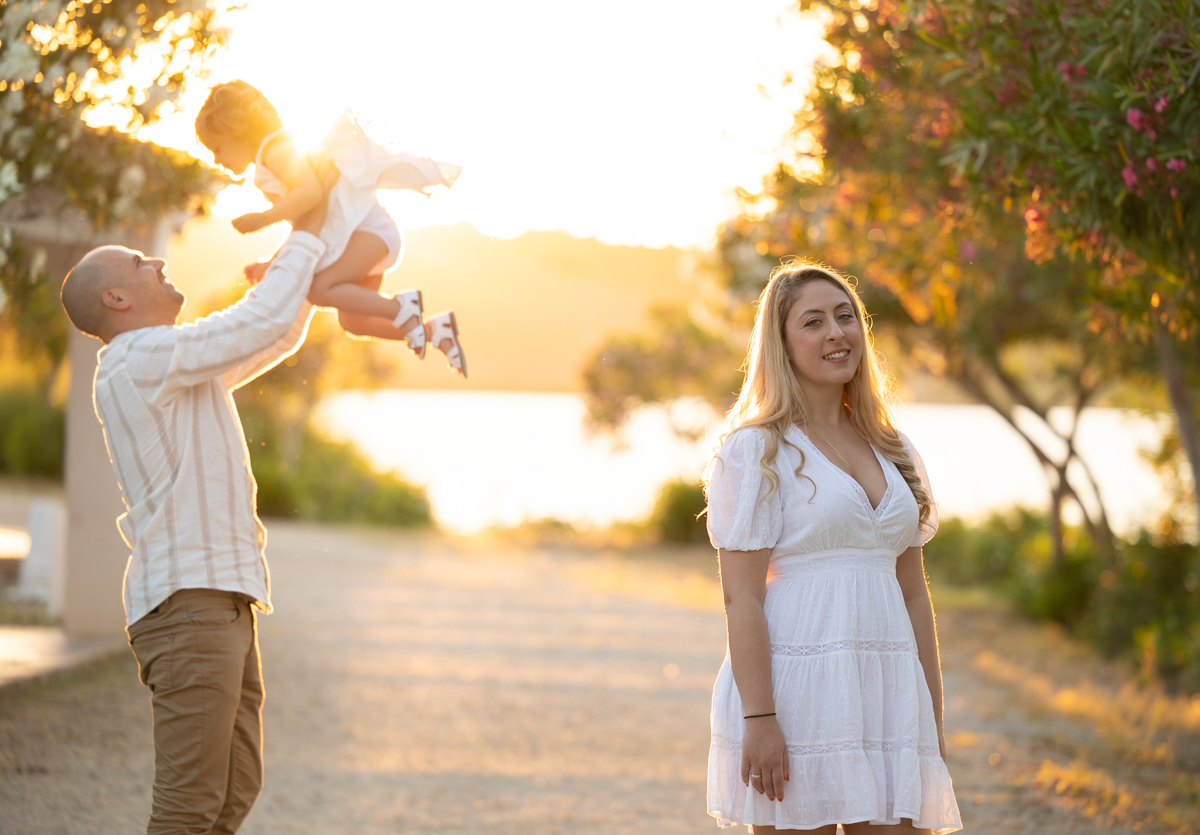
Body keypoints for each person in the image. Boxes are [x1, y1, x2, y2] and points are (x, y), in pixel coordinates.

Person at [58, 185, 333, 835]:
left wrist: (303, 262)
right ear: (116, 299)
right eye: (139, 262)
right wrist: (306, 229)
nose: (157, 261)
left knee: (232, 790)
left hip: (217, 601)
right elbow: (256, 323)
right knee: (189, 807)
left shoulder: (169, 365)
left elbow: (271, 334)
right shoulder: (137, 358)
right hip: (191, 606)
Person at [702, 261, 962, 833]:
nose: (836, 333)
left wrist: (931, 719)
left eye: (845, 317)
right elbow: (742, 599)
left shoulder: (893, 447)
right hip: (798, 691)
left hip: (888, 693)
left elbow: (914, 595)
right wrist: (760, 718)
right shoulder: (756, 450)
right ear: (782, 344)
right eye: (813, 321)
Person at [195, 79, 467, 377]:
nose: (216, 160)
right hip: (359, 240)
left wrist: (264, 218)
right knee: (353, 322)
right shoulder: (270, 158)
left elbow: (310, 193)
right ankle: (435, 331)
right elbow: (306, 225)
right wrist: (272, 262)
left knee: (319, 289)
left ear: (238, 132)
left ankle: (403, 308)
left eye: (218, 149)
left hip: (369, 234)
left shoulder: (276, 151)